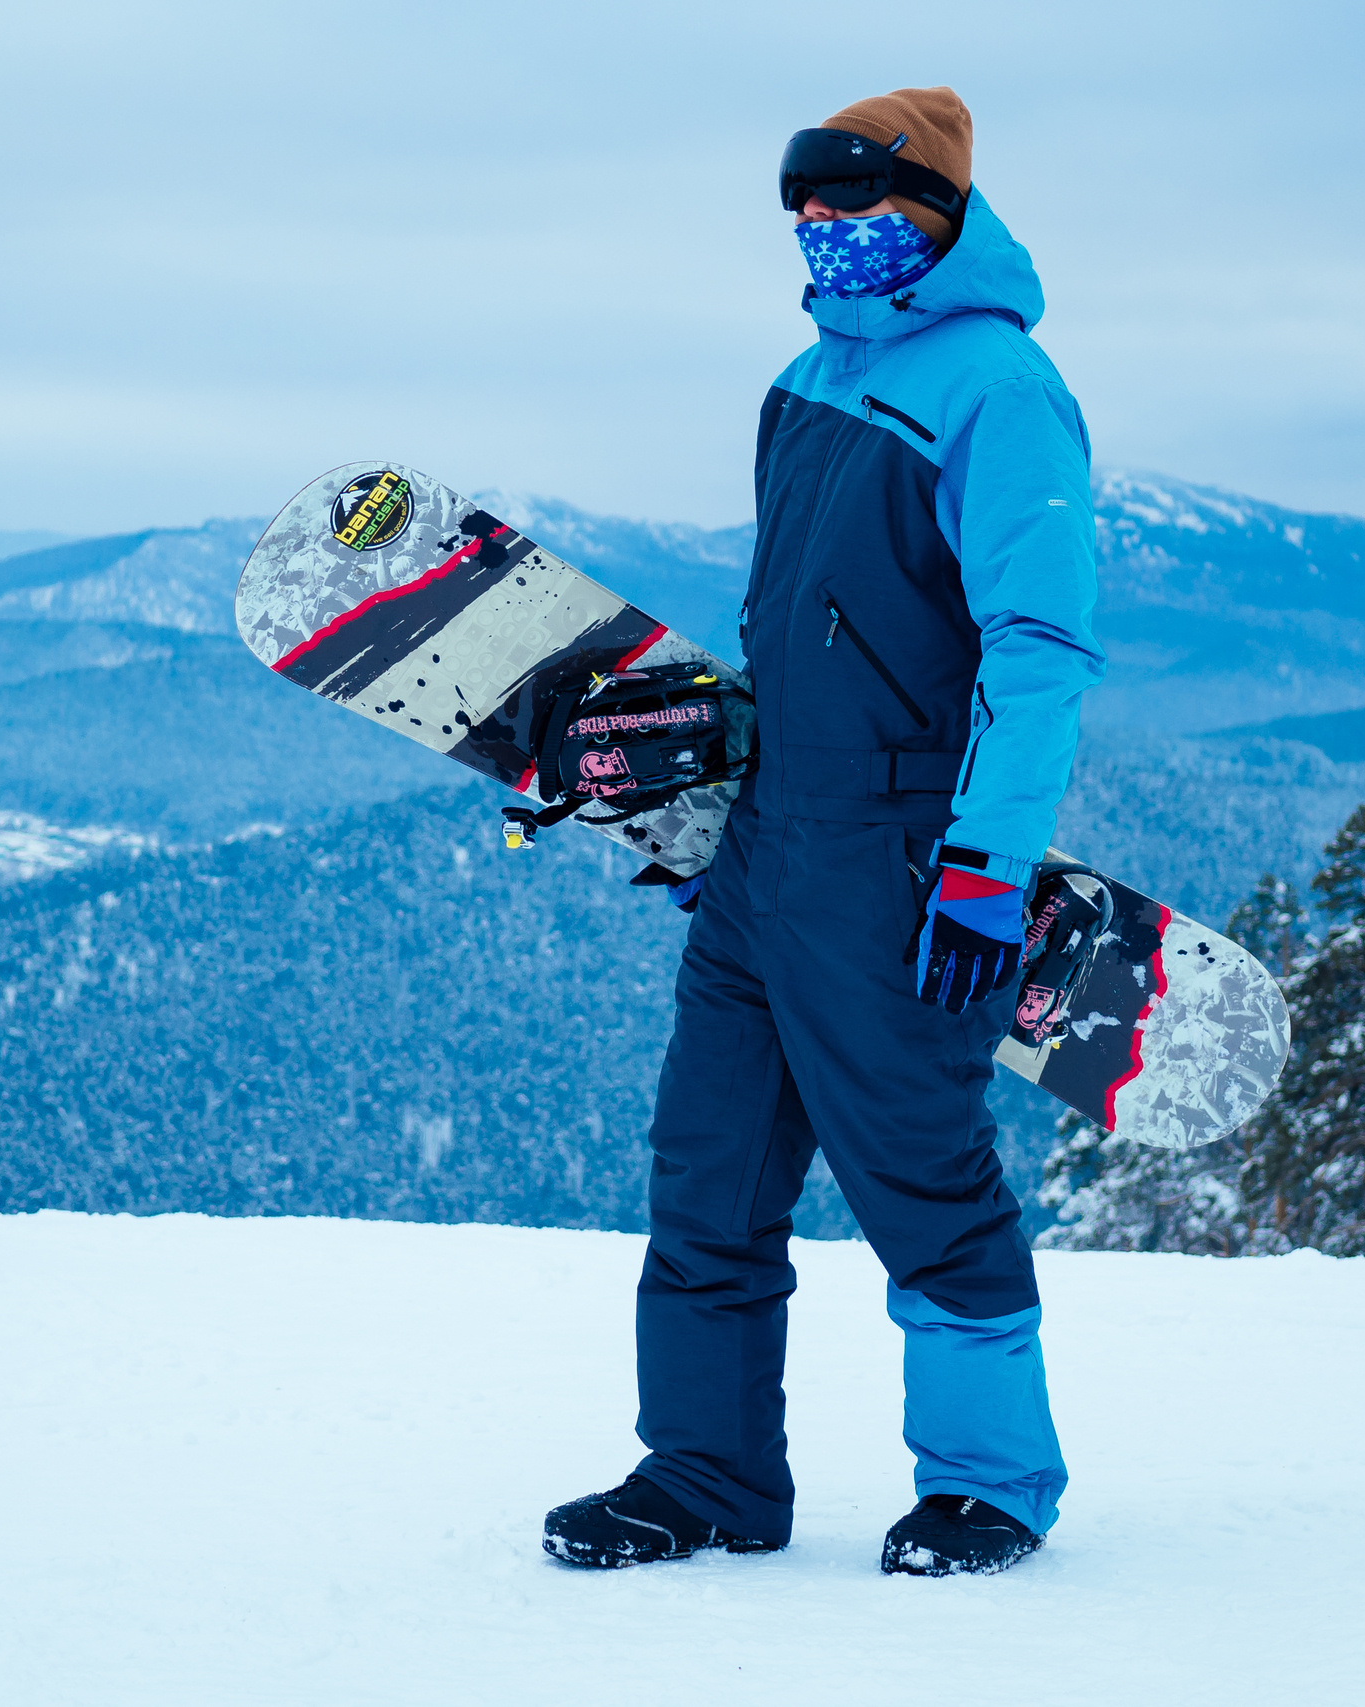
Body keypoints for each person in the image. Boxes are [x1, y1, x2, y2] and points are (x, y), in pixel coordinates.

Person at [543, 86, 1106, 1578]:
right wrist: (715, 815)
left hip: (901, 856)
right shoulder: (805, 379)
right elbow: (803, 633)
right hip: (770, 846)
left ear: (929, 211)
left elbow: (1038, 647)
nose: (821, 232)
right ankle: (707, 1472)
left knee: (920, 1173)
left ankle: (991, 1485)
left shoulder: (1002, 389)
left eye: (851, 207)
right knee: (707, 1169)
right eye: (802, 210)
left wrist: (985, 866)